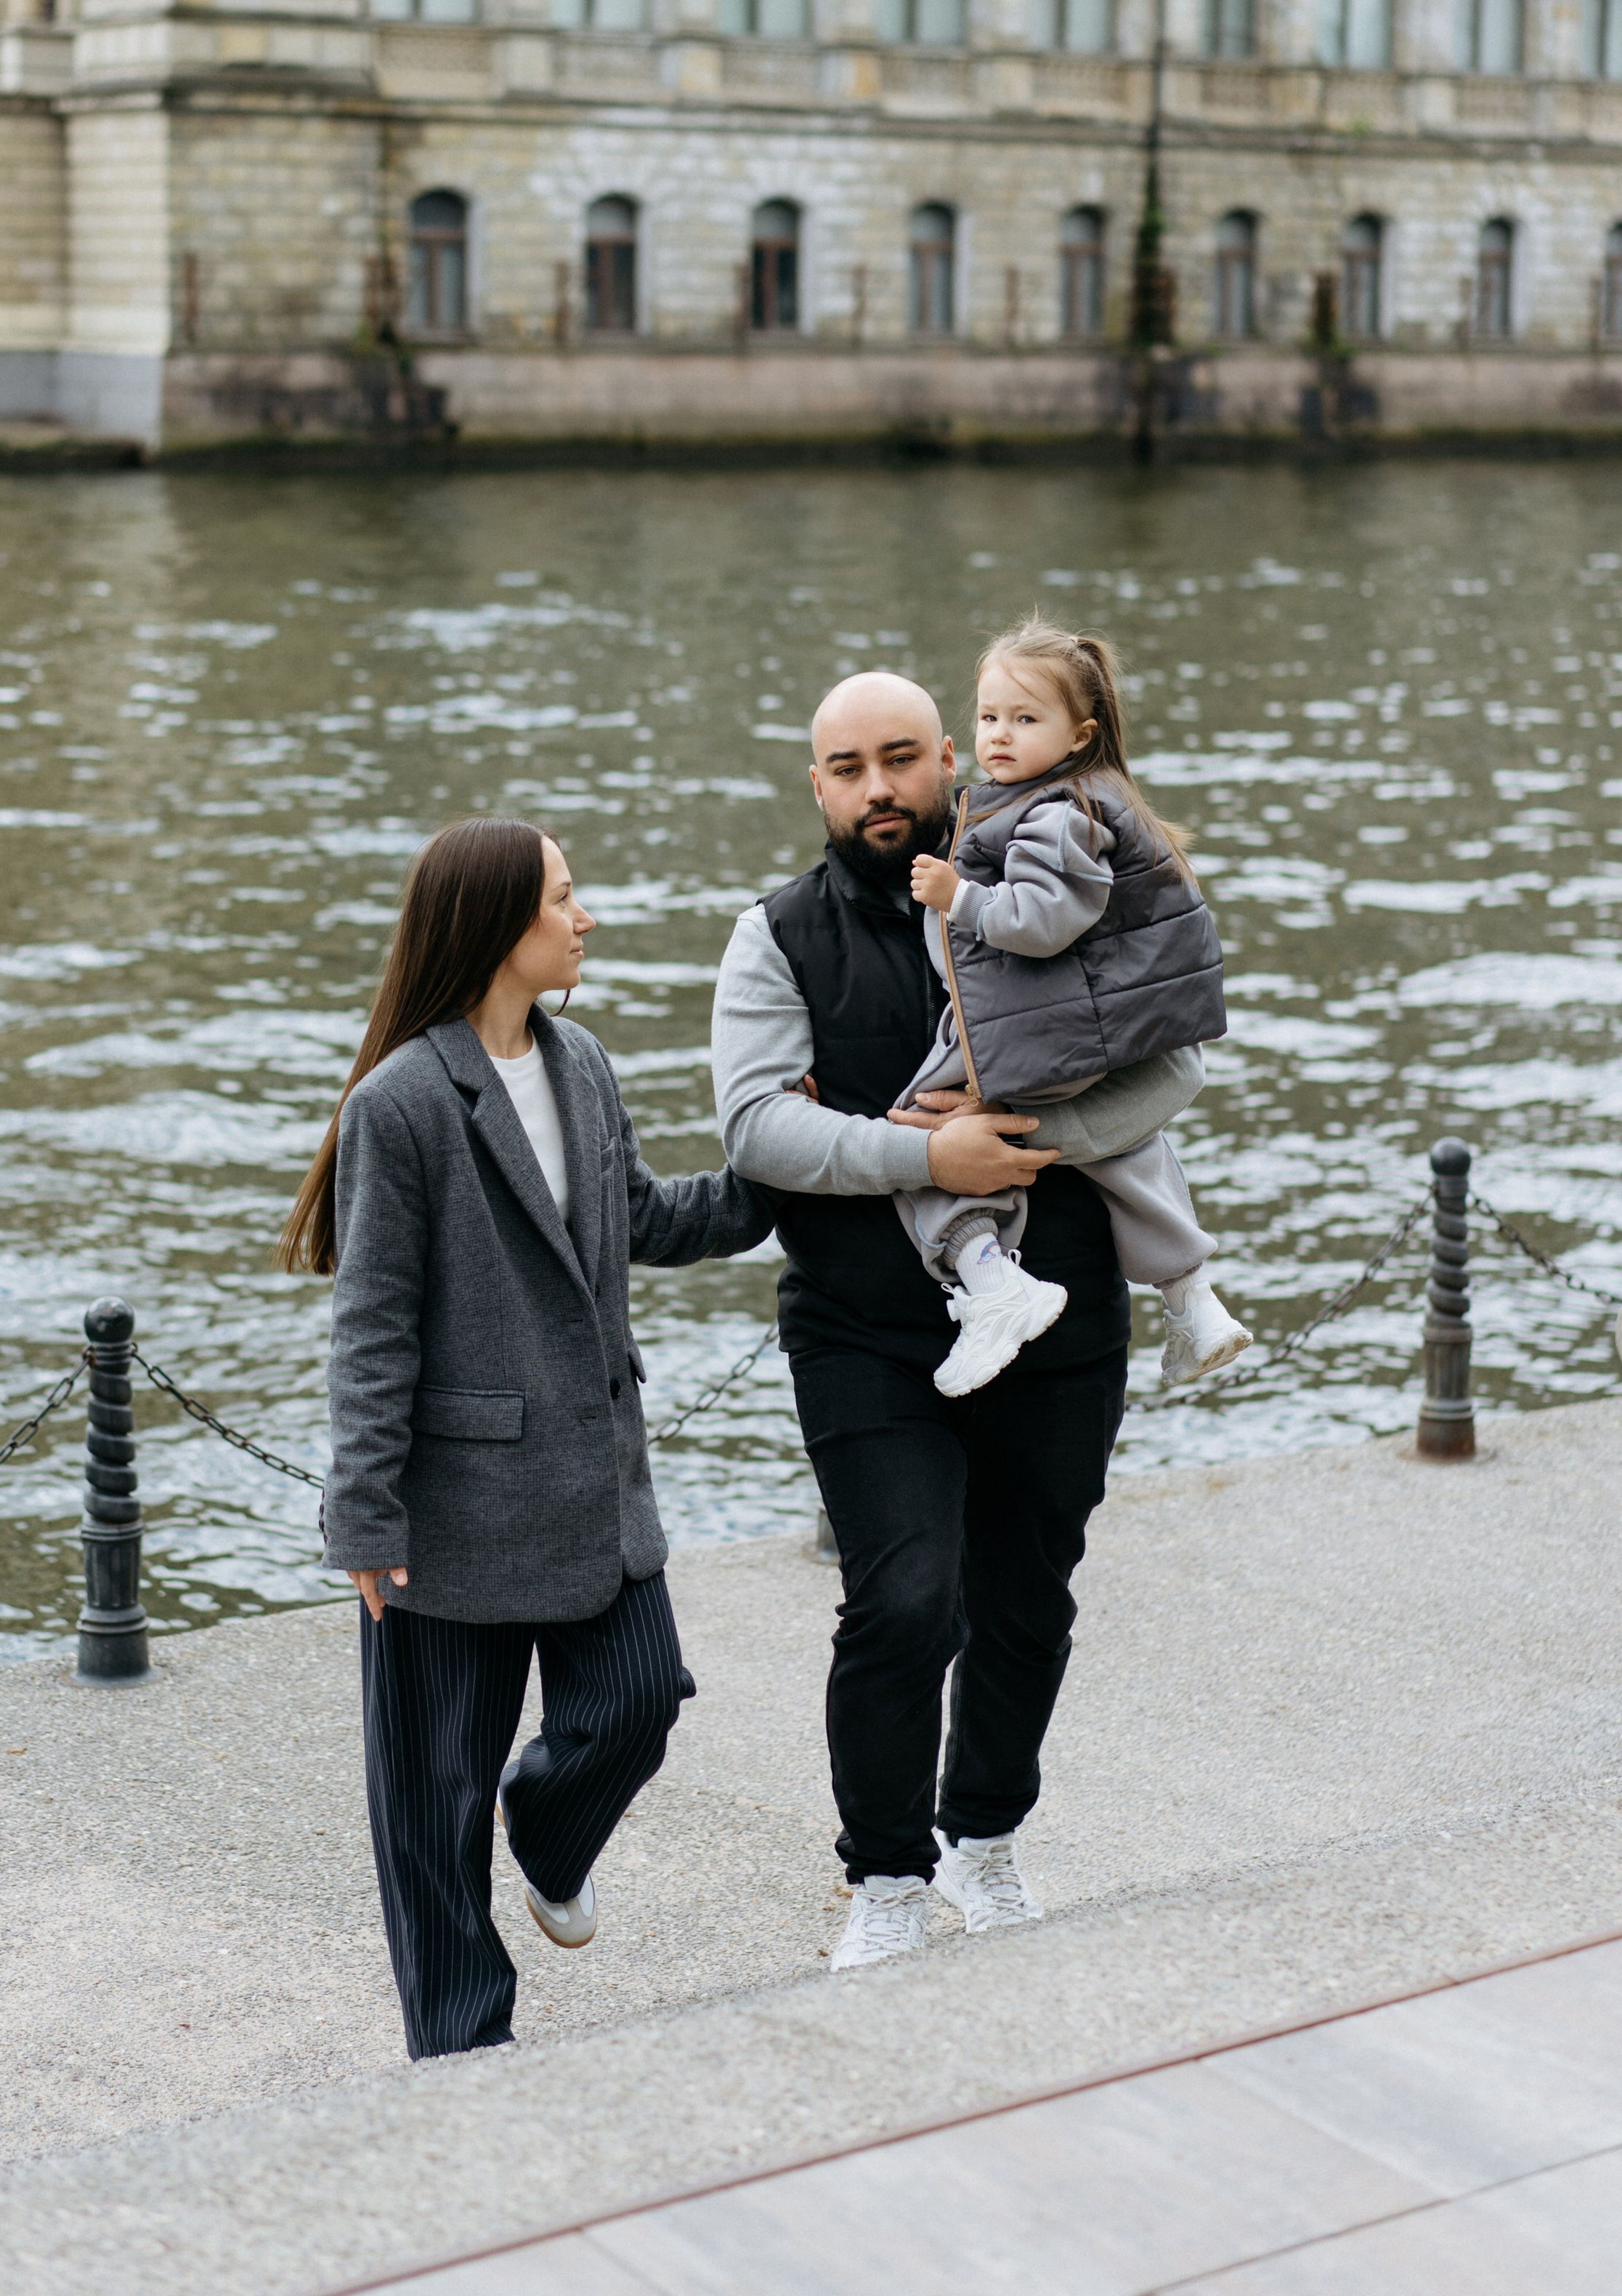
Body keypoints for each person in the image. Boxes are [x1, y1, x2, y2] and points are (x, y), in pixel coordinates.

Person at [711, 671, 1203, 1973]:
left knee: (1028, 1599)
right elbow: (759, 1128)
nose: (880, 790)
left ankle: (985, 1837)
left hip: (1065, 1310)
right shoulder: (778, 935)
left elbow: (1176, 1056)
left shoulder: (1071, 862)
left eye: (901, 759)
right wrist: (932, 1161)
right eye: (848, 769)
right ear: (815, 787)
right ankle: (884, 1874)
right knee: (904, 1601)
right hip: (865, 1330)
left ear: (948, 761)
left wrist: (1022, 1144)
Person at [283, 814, 770, 2060]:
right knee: (431, 1810)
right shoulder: (403, 1105)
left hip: (595, 1490)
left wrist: (778, 1178)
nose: (585, 915)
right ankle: (462, 2055)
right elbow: (374, 1327)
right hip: (450, 1516)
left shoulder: (584, 1063)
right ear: (501, 925)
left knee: (638, 1699)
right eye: (564, 896)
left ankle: (548, 1833)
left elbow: (643, 1218)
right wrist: (366, 1517)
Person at [898, 615, 1249, 1398]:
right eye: (989, 716)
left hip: (1034, 1030)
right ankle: (1192, 1296)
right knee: (1126, 1149)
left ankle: (991, 1283)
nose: (999, 735)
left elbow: (1040, 921)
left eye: (1026, 720)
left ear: (1079, 734)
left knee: (920, 1133)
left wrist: (960, 897)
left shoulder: (1053, 812)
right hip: (1079, 1032)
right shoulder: (1078, 799)